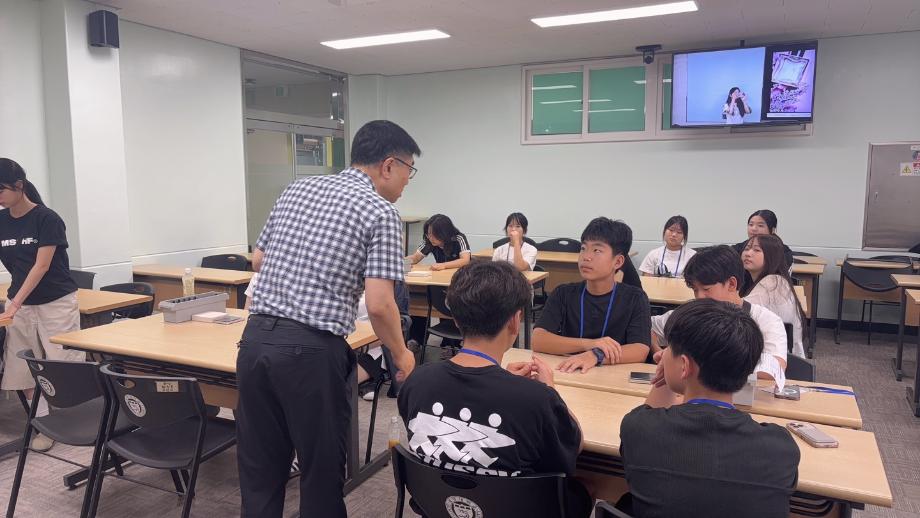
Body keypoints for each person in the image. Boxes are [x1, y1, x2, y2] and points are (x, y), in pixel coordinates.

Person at [237, 120, 418, 518]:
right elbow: (380, 304)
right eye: (409, 169)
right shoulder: (381, 211)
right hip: (310, 353)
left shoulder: (297, 188)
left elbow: (259, 259)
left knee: (260, 470)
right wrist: (401, 354)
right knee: (320, 473)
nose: (408, 180)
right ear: (389, 165)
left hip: (255, 342)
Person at [398, 261, 593, 518]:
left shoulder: (416, 381)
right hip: (518, 510)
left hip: (438, 507)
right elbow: (574, 446)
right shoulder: (537, 399)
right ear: (515, 321)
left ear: (455, 319)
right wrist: (550, 389)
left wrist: (501, 379)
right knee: (585, 488)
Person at [619, 299, 800, 518]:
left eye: (668, 349)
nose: (663, 354)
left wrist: (664, 377)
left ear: (684, 365)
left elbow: (649, 415)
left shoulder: (639, 429)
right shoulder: (780, 448)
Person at [0, 158, 81, 453]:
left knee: (62, 365)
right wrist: (16, 304)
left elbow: (41, 266)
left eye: (0, 190)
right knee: (23, 365)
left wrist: (14, 305)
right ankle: (45, 422)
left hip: (55, 302)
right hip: (20, 302)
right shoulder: (1, 221)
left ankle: (71, 419)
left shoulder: (47, 218)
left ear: (19, 186)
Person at [649, 245, 787, 384]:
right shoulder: (691, 315)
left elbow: (774, 369)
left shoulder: (766, 320)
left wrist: (692, 364)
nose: (699, 297)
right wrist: (663, 353)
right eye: (695, 290)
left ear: (731, 284)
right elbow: (648, 326)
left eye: (706, 289)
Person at [533, 217, 651, 372]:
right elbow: (538, 339)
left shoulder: (635, 298)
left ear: (618, 262)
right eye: (583, 248)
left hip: (612, 377)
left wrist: (596, 355)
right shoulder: (563, 293)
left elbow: (640, 349)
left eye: (597, 250)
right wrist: (589, 344)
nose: (586, 257)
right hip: (570, 373)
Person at [741, 234, 806, 358]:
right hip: (779, 353)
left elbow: (739, 310)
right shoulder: (776, 279)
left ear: (772, 256)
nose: (748, 253)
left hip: (778, 359)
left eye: (756, 250)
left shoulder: (772, 283)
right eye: (747, 248)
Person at [406, 214, 471, 272]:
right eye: (429, 234)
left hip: (460, 275)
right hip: (440, 274)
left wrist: (444, 265)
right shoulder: (428, 240)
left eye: (434, 234)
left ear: (444, 233)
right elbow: (416, 258)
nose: (431, 238)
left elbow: (465, 260)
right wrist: (401, 262)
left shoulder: (458, 238)